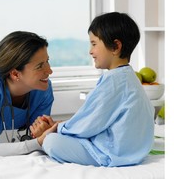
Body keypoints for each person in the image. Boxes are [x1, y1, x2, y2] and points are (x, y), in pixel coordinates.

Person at [35, 12, 155, 167]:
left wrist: (56, 128)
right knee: (59, 135)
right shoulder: (126, 77)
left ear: (116, 47)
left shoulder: (114, 81)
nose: (90, 51)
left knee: (51, 141)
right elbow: (93, 119)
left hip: (113, 153)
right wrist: (60, 125)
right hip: (130, 151)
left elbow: (90, 123)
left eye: (94, 44)